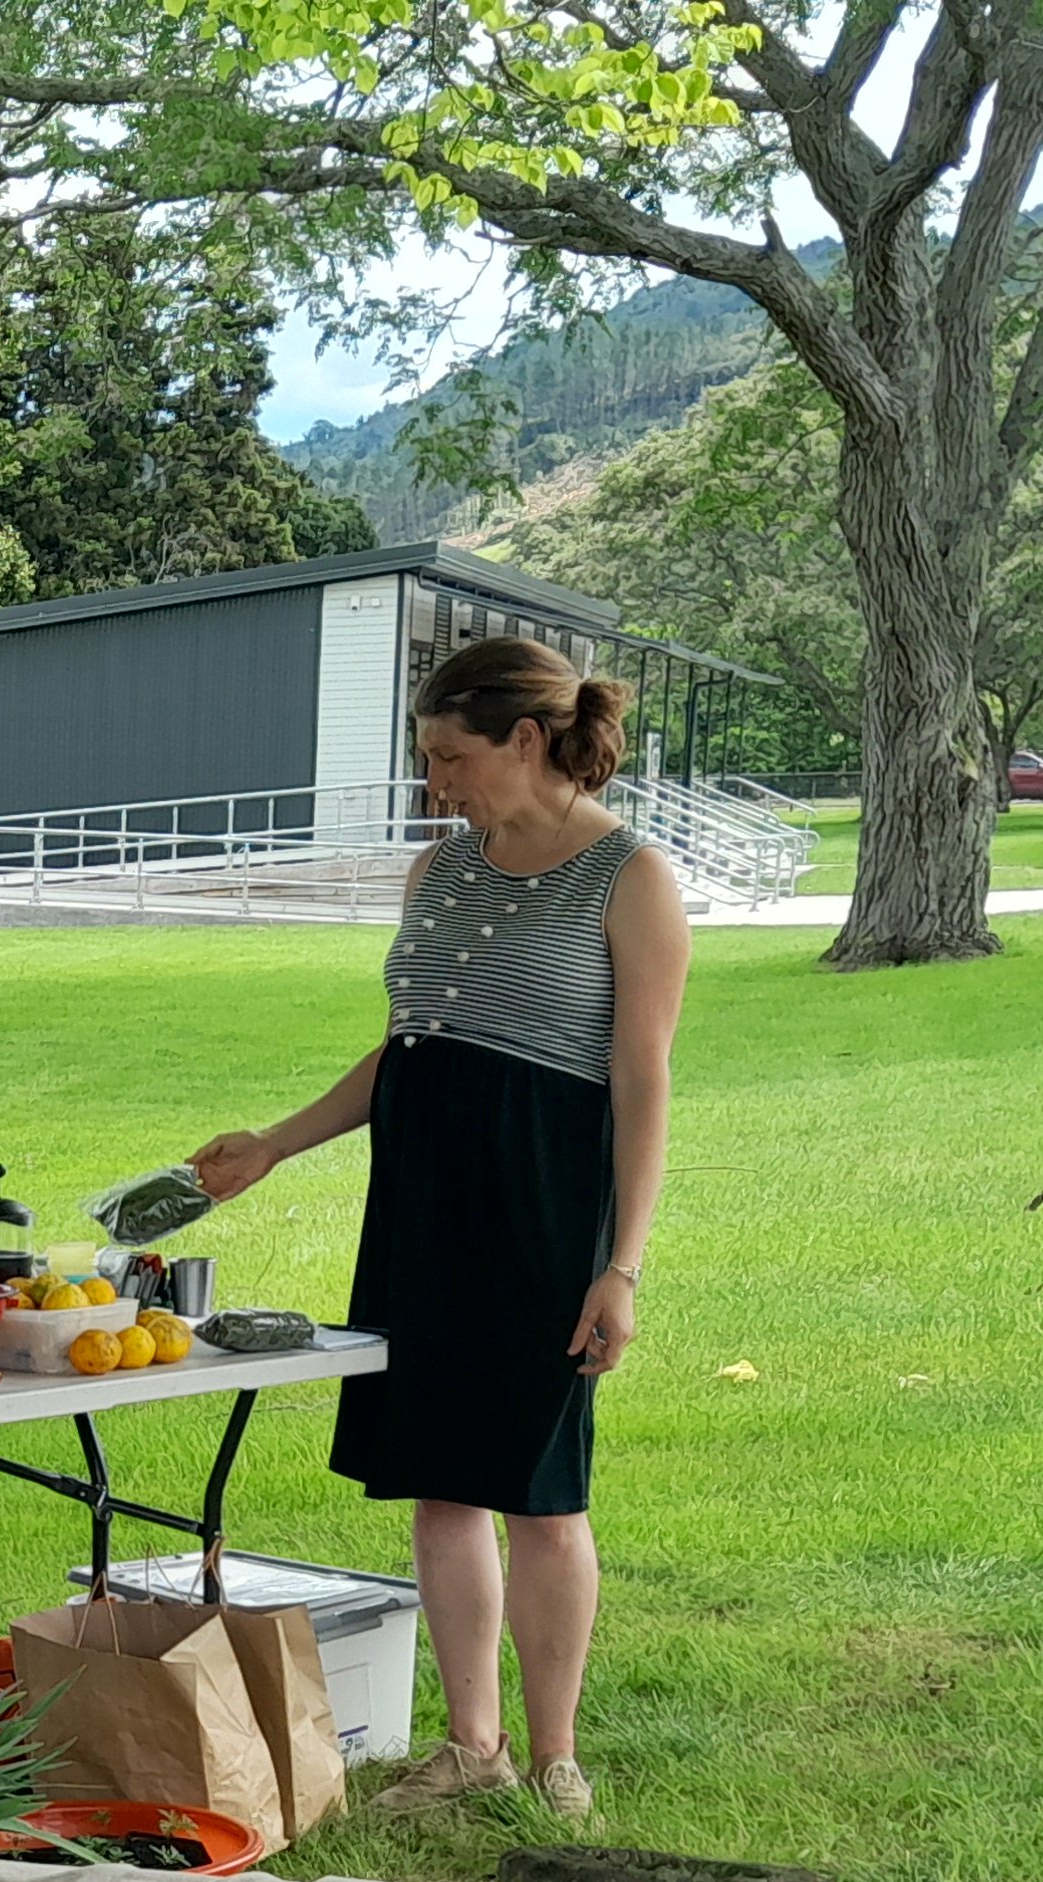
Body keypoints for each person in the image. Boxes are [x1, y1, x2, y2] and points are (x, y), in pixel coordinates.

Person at [188, 637, 688, 1820]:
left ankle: (555, 1757)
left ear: (525, 739)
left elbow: (643, 1080)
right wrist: (274, 1144)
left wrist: (621, 1265)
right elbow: (413, 1044)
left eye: (449, 757)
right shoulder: (439, 869)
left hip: (545, 1204)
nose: (437, 783)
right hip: (422, 1200)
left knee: (543, 1491)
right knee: (441, 1482)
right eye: (428, 759)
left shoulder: (630, 876)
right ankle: (473, 1745)